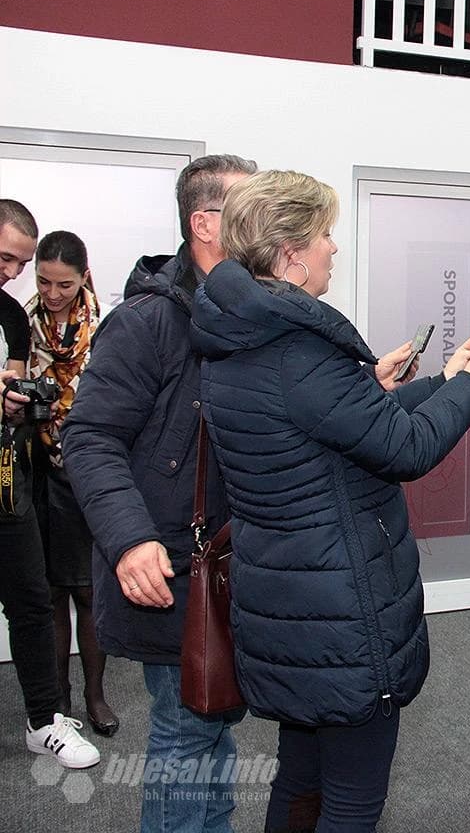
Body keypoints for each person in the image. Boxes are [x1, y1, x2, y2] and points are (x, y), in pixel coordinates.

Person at [189, 170, 470, 831]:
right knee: (351, 797)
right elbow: (404, 451)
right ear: (290, 254)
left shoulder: (238, 338)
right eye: (323, 236)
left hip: (286, 602)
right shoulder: (299, 351)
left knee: (302, 775)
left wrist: (451, 380)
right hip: (338, 610)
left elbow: (360, 429)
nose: (333, 249)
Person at [62, 154, 263, 831]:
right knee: (187, 731)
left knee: (211, 725)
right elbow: (87, 439)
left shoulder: (239, 311)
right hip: (172, 568)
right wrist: (130, 537)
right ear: (205, 224)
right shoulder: (147, 321)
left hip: (226, 566)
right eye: (249, 206)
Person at [0, 199, 100, 769]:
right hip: (32, 472)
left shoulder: (13, 317)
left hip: (19, 476)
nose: (14, 275)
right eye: (9, 261)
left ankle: (47, 719)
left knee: (39, 600)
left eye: (20, 264)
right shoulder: (25, 313)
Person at [25, 230, 117, 736]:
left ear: (84, 278)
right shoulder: (21, 322)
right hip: (36, 472)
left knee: (87, 591)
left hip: (88, 471)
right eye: (43, 282)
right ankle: (56, 700)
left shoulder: (105, 329)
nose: (53, 294)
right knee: (50, 592)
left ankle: (95, 695)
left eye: (63, 284)